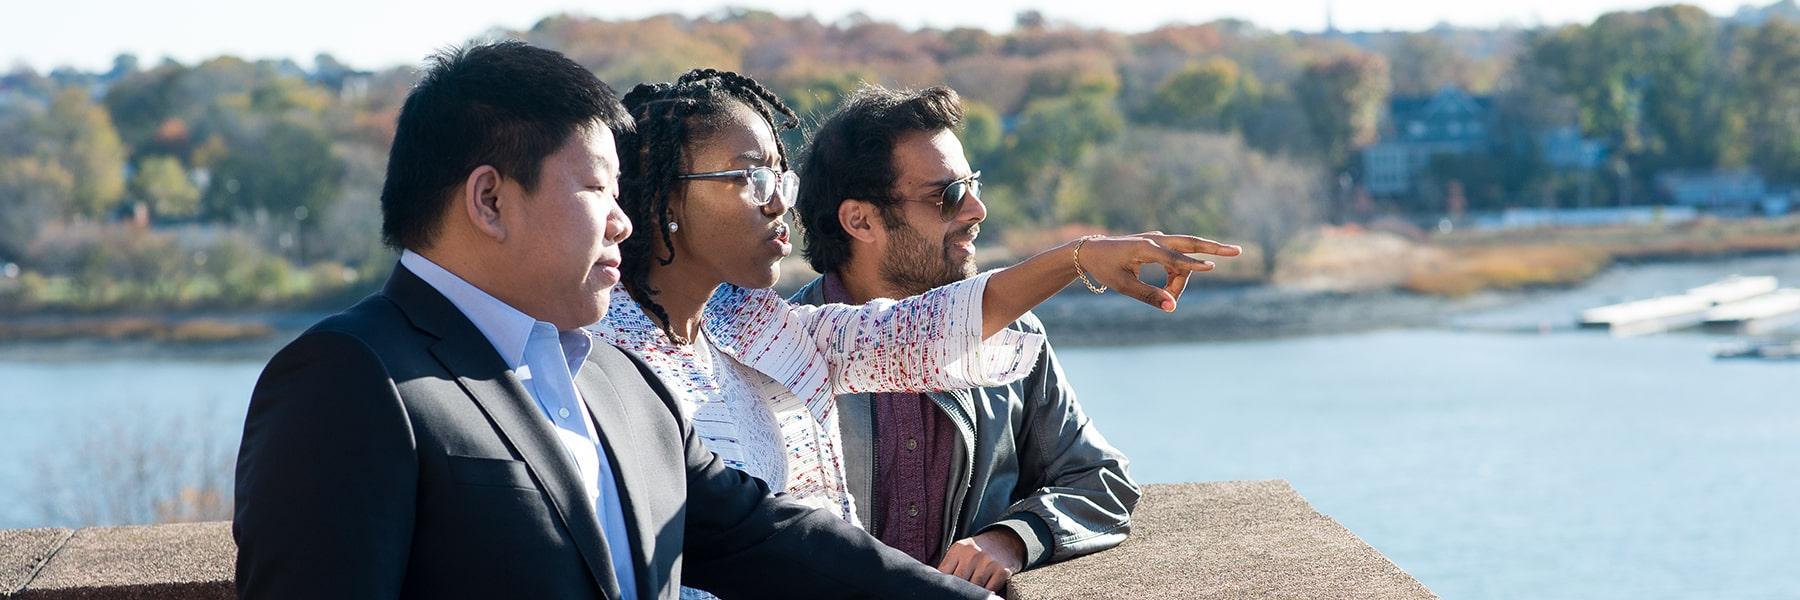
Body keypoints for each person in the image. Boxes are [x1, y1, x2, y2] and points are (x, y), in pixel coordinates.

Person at [231, 41, 996, 600]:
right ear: (489, 199)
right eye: (599, 190)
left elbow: (768, 540)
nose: (625, 223)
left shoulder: (620, 380)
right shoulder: (350, 379)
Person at [589, 69, 1238, 593]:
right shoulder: (598, 357)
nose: (775, 199)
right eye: (748, 176)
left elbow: (915, 335)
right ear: (667, 201)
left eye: (778, 176)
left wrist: (1076, 258)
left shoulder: (760, 330)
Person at [792, 84, 1141, 592]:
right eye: (947, 195)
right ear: (860, 220)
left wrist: (1014, 537)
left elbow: (1100, 479)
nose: (977, 209)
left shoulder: (1014, 336)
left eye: (972, 183)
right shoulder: (779, 350)